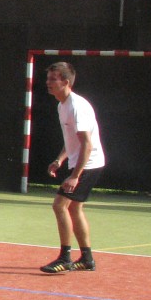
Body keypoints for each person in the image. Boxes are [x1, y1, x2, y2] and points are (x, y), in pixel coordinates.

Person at [40, 62, 105, 274]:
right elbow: (72, 141)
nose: (48, 83)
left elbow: (87, 144)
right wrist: (59, 160)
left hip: (88, 164)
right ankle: (87, 259)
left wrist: (75, 176)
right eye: (48, 78)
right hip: (80, 164)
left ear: (66, 82)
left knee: (59, 205)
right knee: (74, 208)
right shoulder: (62, 105)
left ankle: (65, 258)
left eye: (53, 79)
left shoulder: (77, 107)